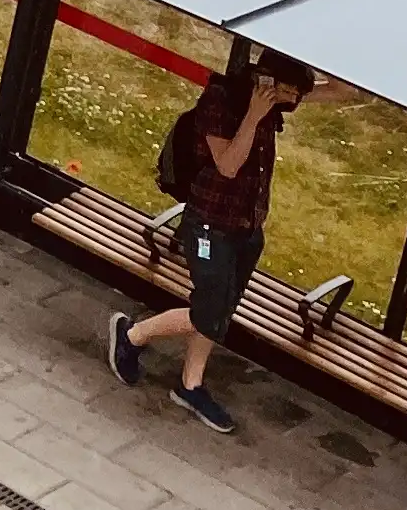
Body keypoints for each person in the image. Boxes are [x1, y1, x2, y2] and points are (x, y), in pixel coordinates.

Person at [108, 54, 315, 435]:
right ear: (264, 82)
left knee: (222, 305)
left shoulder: (274, 101)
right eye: (287, 90)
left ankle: (191, 384)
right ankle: (134, 335)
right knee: (210, 310)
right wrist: (253, 116)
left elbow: (335, 92)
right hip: (209, 224)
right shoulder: (221, 103)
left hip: (246, 227)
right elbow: (229, 165)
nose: (294, 98)